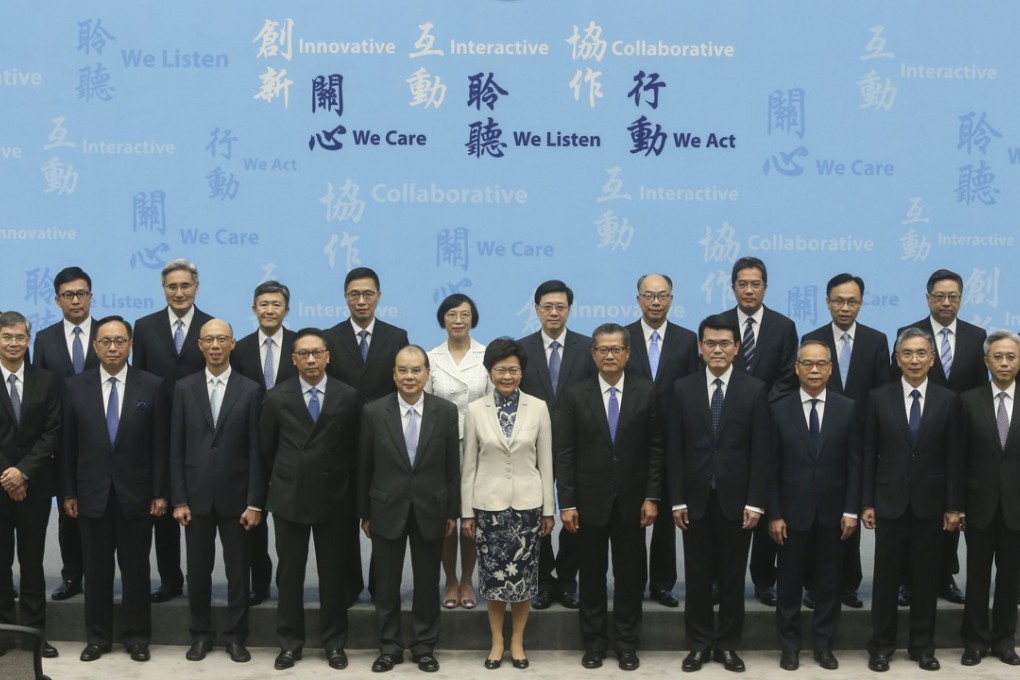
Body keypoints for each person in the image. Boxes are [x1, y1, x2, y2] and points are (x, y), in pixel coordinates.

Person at [557, 323, 663, 672]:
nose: (609, 355)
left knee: (630, 576)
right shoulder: (575, 394)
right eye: (602, 349)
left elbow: (655, 449)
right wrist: (567, 502)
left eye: (616, 349)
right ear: (593, 354)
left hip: (633, 503)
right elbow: (566, 454)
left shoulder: (646, 392)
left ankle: (627, 643)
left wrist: (652, 496)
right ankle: (594, 643)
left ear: (628, 353)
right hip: (588, 503)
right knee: (591, 576)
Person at [62, 316, 168, 663]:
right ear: (95, 346)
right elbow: (68, 446)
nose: (112, 347)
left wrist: (159, 492)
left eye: (119, 341)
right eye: (105, 341)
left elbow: (159, 445)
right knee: (96, 572)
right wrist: (69, 493)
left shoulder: (151, 385)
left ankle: (137, 638)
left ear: (130, 345)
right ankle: (97, 638)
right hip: (91, 495)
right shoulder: (75, 386)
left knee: (136, 571)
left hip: (136, 496)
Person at [669, 314, 771, 673]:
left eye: (724, 343)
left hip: (737, 502)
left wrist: (756, 502)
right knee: (696, 579)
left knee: (731, 577)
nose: (717, 349)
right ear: (700, 348)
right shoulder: (683, 388)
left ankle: (728, 645)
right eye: (710, 343)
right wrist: (677, 499)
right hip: (694, 501)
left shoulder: (754, 389)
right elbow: (675, 449)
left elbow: (762, 452)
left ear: (737, 348)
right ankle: (698, 645)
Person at [862, 327, 960, 672]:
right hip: (888, 502)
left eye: (921, 353)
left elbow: (953, 457)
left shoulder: (948, 400)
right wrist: (867, 502)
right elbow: (868, 453)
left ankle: (923, 646)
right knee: (886, 581)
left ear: (932, 359)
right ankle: (881, 646)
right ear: (897, 358)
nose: (914, 360)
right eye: (907, 353)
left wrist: (952, 505)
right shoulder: (878, 397)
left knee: (925, 579)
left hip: (931, 505)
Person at [260, 328, 358, 671]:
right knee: (289, 575)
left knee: (333, 576)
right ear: (294, 359)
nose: (312, 359)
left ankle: (334, 643)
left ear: (328, 356)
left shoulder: (348, 396)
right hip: (290, 498)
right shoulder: (276, 397)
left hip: (334, 498)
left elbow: (354, 450)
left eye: (317, 353)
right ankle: (289, 644)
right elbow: (266, 451)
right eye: (304, 354)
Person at [358, 346, 460, 673]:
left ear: (428, 373)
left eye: (416, 370)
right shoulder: (374, 412)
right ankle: (389, 647)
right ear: (393, 374)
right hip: (386, 508)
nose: (409, 377)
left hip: (431, 509)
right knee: (386, 585)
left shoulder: (445, 411)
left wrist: (451, 512)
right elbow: (364, 466)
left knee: (428, 583)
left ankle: (424, 646)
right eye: (402, 370)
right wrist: (365, 512)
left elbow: (451, 467)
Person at [170, 319, 264, 663]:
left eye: (221, 339)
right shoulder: (183, 388)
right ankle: (200, 635)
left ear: (232, 344)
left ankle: (236, 637)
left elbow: (257, 451)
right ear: (199, 345)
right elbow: (175, 449)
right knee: (197, 572)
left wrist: (255, 502)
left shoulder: (250, 389)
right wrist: (178, 498)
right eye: (208, 339)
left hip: (237, 499)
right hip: (194, 499)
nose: (214, 345)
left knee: (239, 573)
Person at [893, 269, 986, 606]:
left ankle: (945, 576)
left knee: (951, 506)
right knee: (911, 510)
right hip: (918, 435)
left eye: (953, 296)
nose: (946, 302)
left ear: (961, 299)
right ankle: (906, 580)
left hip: (959, 435)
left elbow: (979, 390)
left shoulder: (978, 337)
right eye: (940, 296)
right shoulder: (909, 333)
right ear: (928, 297)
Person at [461, 337, 554, 670]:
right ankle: (497, 641)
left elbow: (546, 462)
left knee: (524, 579)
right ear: (490, 371)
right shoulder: (475, 410)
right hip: (489, 507)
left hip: (528, 507)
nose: (507, 376)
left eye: (513, 370)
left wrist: (548, 509)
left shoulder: (538, 408)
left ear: (521, 372)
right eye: (500, 370)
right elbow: (468, 464)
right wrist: (467, 512)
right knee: (493, 580)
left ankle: (517, 641)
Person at [768, 341, 860, 671]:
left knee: (829, 583)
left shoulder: (847, 407)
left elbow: (854, 464)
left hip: (834, 516)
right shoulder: (778, 408)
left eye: (821, 364)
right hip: (791, 516)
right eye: (807, 364)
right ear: (796, 368)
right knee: (789, 585)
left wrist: (851, 510)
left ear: (831, 369)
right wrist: (774, 513)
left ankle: (824, 646)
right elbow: (771, 467)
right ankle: (789, 647)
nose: (814, 370)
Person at [801, 273, 890, 610]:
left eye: (852, 301)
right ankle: (812, 584)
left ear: (861, 303)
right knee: (816, 514)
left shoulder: (876, 340)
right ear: (827, 302)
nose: (845, 307)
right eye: (838, 300)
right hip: (819, 437)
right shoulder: (812, 338)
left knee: (849, 509)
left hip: (862, 439)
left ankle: (848, 584)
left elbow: (882, 392)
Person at [324, 266, 409, 605]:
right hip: (341, 443)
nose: (361, 301)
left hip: (384, 442)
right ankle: (348, 585)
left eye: (368, 294)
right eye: (354, 295)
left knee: (383, 519)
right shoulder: (330, 337)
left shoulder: (396, 337)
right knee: (343, 520)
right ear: (345, 298)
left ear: (379, 296)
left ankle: (380, 586)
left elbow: (402, 388)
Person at [132, 258, 213, 603]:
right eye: (172, 286)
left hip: (200, 431)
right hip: (156, 429)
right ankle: (169, 579)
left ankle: (200, 579)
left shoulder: (212, 327)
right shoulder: (145, 326)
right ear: (163, 289)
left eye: (185, 286)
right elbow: (138, 380)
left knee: (199, 508)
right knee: (162, 506)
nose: (179, 292)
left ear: (197, 287)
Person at [723, 257, 797, 608]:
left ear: (765, 287)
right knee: (728, 503)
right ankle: (722, 580)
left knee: (765, 501)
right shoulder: (719, 325)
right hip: (727, 427)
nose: (749, 289)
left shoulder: (784, 327)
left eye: (755, 284)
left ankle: (765, 579)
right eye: (742, 283)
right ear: (733, 286)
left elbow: (787, 376)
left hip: (770, 422)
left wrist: (758, 406)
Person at [517, 279, 594, 611]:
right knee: (537, 517)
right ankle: (542, 582)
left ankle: (567, 579)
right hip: (532, 447)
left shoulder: (587, 347)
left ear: (569, 310)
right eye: (547, 306)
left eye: (560, 306)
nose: (553, 312)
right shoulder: (521, 349)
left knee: (575, 516)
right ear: (536, 310)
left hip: (578, 445)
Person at [624, 274, 698, 608]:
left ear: (671, 299)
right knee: (632, 518)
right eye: (649, 295)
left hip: (671, 442)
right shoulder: (622, 338)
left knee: (668, 517)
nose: (655, 302)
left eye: (662, 295)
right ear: (638, 299)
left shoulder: (687, 340)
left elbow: (693, 390)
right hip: (629, 442)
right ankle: (634, 581)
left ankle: (663, 583)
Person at [31, 266, 98, 603]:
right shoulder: (44, 339)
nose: (76, 300)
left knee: (105, 509)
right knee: (68, 510)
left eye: (81, 293)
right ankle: (72, 576)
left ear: (91, 296)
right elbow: (38, 391)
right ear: (57, 300)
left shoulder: (109, 333)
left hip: (106, 438)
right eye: (68, 295)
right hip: (62, 439)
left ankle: (103, 575)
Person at [230, 280, 296, 607]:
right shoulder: (238, 349)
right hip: (249, 446)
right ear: (254, 309)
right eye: (263, 304)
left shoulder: (302, 346)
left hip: (291, 447)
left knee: (288, 523)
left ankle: (288, 581)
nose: (269, 310)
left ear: (286, 309)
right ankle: (259, 581)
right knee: (252, 518)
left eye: (276, 304)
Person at [0, 312, 61, 658]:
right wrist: (8, 475)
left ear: (29, 339)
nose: (13, 343)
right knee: (0, 562)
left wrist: (23, 472)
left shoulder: (47, 381)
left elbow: (52, 432)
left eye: (20, 337)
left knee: (33, 563)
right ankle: (6, 636)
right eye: (7, 337)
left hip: (35, 486)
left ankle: (35, 635)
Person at [424, 293, 491, 610]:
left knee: (471, 520)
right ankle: (449, 580)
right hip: (441, 448)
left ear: (473, 318)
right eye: (452, 314)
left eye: (465, 314)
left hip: (478, 447)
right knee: (446, 520)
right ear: (443, 319)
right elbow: (422, 406)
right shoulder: (431, 357)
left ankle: (468, 580)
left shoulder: (487, 354)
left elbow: (492, 404)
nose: (459, 320)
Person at [958, 330, 1020, 667]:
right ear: (986, 361)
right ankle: (975, 642)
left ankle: (1005, 641)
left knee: (1010, 580)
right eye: (998, 357)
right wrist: (957, 505)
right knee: (978, 578)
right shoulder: (968, 401)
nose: (1005, 363)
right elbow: (958, 458)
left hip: (1016, 507)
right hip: (978, 505)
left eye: (1011, 356)